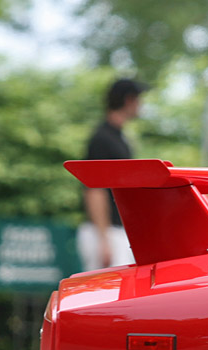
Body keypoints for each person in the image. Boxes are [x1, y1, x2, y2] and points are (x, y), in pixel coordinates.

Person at [78, 78, 148, 270]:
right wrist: (104, 239)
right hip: (104, 232)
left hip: (114, 231)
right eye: (139, 99)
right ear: (129, 100)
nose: (142, 105)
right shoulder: (102, 138)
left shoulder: (119, 137)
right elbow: (94, 188)